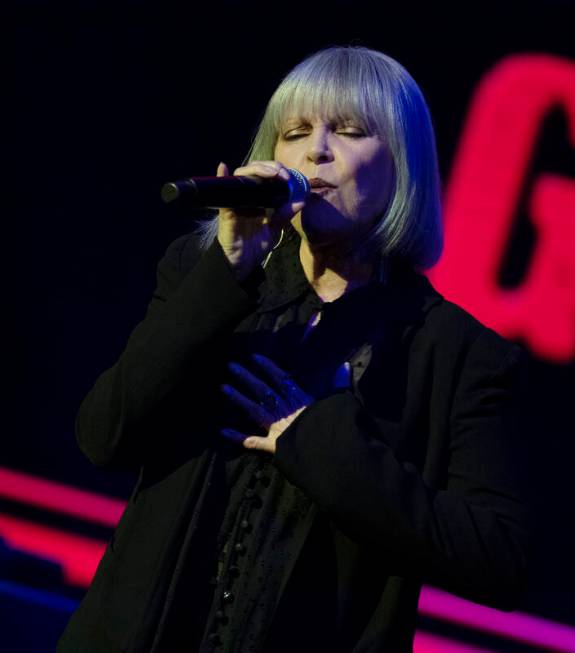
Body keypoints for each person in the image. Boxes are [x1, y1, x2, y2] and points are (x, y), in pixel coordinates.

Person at [57, 45, 530, 652]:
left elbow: (498, 559)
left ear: (403, 165)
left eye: (350, 131)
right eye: (296, 132)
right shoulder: (205, 279)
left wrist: (328, 445)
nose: (317, 151)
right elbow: (105, 435)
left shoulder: (454, 352)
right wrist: (225, 273)